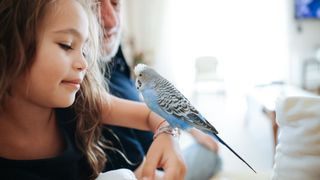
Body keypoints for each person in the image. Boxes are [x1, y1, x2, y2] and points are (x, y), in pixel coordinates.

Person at [0, 0, 186, 180]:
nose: (84, 64)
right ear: (10, 46)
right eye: (66, 45)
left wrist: (167, 134)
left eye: (84, 50)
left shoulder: (84, 103)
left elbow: (152, 115)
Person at [98, 0, 222, 179]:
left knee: (209, 145)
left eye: (115, 3)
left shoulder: (115, 60)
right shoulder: (94, 92)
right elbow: (142, 175)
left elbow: (145, 107)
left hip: (165, 153)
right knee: (212, 156)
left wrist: (189, 130)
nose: (112, 21)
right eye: (94, 5)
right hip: (160, 172)